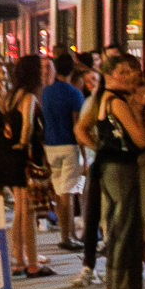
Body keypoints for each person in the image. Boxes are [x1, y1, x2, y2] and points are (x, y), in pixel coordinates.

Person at [84, 53, 145, 289]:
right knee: (124, 234)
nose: (133, 75)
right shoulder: (118, 103)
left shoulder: (103, 99)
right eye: (124, 72)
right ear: (110, 75)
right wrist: (140, 112)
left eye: (134, 70)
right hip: (121, 170)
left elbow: (85, 130)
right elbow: (139, 140)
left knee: (116, 232)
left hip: (108, 170)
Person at [0, 56, 49, 276]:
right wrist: (25, 146)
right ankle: (32, 263)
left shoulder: (11, 96)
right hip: (23, 157)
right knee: (27, 211)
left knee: (18, 210)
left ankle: (19, 260)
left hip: (10, 156)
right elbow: (28, 126)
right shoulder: (29, 97)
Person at [32, 51, 88, 250]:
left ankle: (66, 234)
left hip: (50, 145)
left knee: (58, 192)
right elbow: (77, 124)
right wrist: (84, 154)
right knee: (69, 193)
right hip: (69, 145)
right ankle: (68, 235)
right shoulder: (74, 94)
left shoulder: (47, 92)